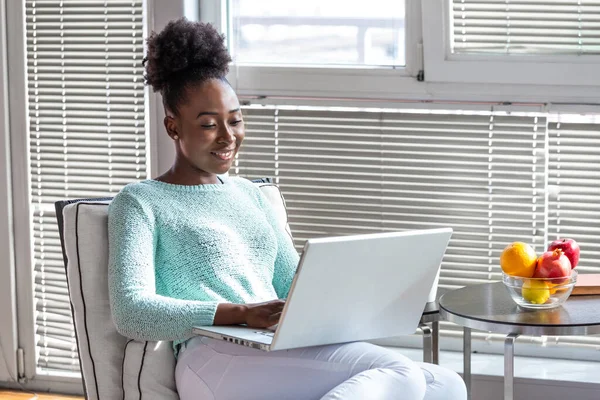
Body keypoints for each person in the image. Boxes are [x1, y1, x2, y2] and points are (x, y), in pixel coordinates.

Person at [107, 17, 467, 400]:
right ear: (172, 127)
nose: (228, 137)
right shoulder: (140, 201)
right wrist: (241, 313)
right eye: (209, 125)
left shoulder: (250, 195)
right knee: (399, 373)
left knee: (445, 384)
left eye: (235, 120)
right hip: (210, 357)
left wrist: (359, 294)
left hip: (272, 348)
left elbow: (292, 284)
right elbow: (132, 312)